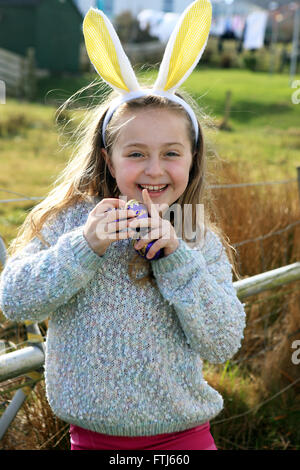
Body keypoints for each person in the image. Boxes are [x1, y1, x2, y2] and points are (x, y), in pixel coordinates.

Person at [0, 0, 246, 450]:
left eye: (171, 153)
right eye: (135, 153)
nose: (155, 169)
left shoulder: (193, 232)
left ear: (192, 162)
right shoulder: (74, 220)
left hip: (185, 439)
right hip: (90, 441)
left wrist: (177, 259)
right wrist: (82, 248)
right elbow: (15, 300)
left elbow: (223, 342)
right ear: (108, 161)